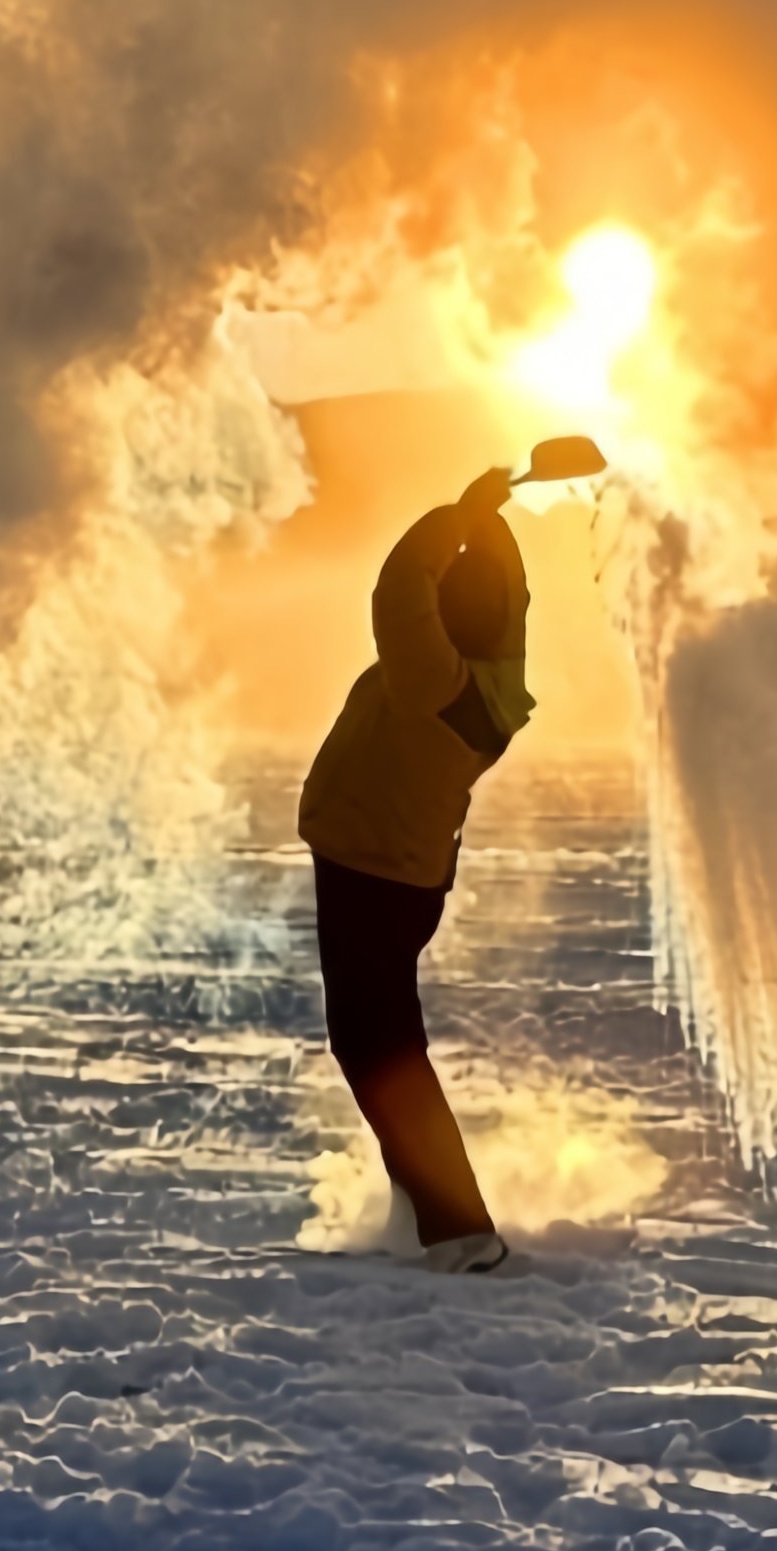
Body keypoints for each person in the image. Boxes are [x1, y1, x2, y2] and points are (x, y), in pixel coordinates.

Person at [298, 459, 537, 1275]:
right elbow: (502, 598)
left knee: (377, 1047)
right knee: (379, 1042)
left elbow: (399, 587)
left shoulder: (432, 680)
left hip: (373, 874)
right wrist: (486, 527)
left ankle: (458, 1224)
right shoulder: (490, 680)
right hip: (400, 874)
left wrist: (455, 516)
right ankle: (424, 1205)